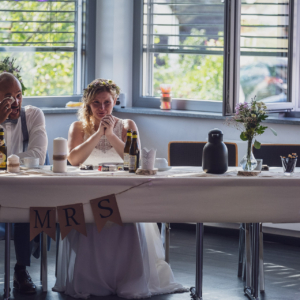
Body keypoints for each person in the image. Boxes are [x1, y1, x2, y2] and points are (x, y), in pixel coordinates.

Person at [53, 79, 186, 299]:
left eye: (106, 102)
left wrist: (111, 135)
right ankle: (92, 280)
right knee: (91, 223)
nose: (102, 108)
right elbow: (74, 160)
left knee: (125, 223)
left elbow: (134, 159)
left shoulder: (127, 125)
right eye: (96, 103)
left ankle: (128, 278)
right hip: (89, 193)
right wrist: (97, 135)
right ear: (88, 104)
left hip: (123, 193)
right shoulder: (78, 127)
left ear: (115, 101)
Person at [0, 72, 48, 294]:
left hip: (24, 190)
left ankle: (21, 270)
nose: (16, 101)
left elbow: (37, 155)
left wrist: (6, 161)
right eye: (8, 96)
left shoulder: (34, 115)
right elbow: (28, 157)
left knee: (31, 209)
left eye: (19, 95)